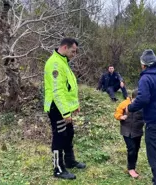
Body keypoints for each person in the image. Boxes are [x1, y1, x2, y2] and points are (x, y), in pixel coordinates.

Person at [126, 49, 156, 185]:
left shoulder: (145, 78)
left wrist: (129, 107)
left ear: (143, 65)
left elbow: (143, 99)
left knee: (155, 157)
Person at [44, 38, 86, 180]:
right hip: (56, 107)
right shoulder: (55, 64)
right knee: (59, 137)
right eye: (73, 51)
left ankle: (69, 160)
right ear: (64, 47)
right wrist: (65, 112)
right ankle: (58, 169)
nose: (74, 54)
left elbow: (68, 87)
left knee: (69, 133)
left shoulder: (63, 61)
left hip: (64, 107)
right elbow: (57, 91)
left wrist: (74, 105)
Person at [114, 89, 144, 178]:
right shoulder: (124, 103)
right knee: (131, 148)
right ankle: (131, 168)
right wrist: (120, 116)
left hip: (138, 130)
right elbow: (117, 113)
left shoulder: (144, 104)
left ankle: (133, 166)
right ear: (132, 98)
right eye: (136, 101)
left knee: (136, 148)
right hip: (126, 130)